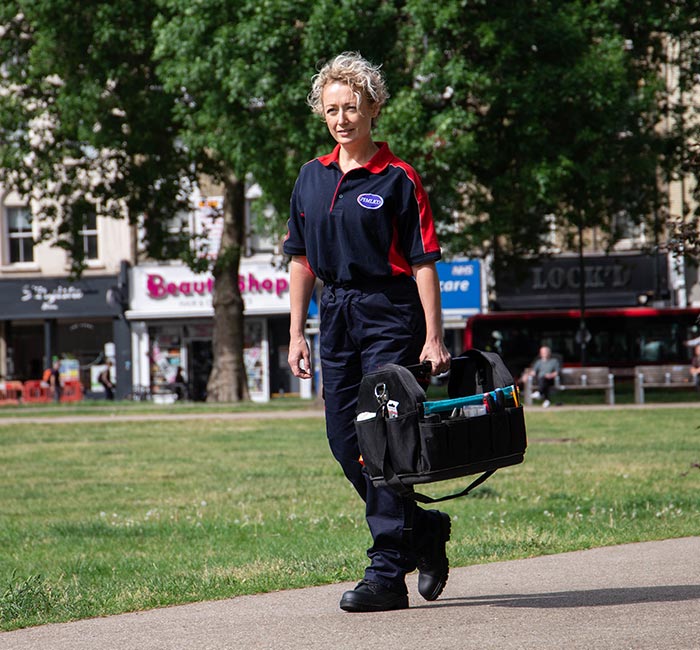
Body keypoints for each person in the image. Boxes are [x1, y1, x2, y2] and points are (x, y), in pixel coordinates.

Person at [284, 52, 452, 613]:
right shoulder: (311, 178)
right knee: (343, 440)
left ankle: (386, 571)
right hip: (335, 315)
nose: (341, 118)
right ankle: (423, 530)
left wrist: (434, 336)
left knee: (384, 438)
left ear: (373, 108)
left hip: (390, 312)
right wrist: (295, 334)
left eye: (351, 107)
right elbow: (301, 260)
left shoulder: (398, 177)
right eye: (331, 109)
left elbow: (424, 260)